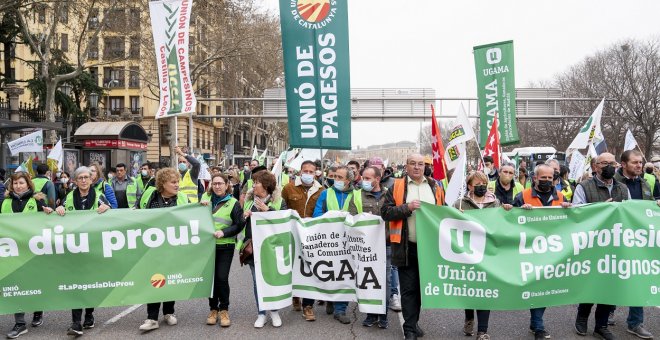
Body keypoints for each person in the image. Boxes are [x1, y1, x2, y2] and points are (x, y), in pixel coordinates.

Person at [381, 153, 445, 340]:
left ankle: (413, 322)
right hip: (406, 247)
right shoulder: (396, 186)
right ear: (406, 167)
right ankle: (409, 329)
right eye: (413, 164)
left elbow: (444, 211)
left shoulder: (435, 186)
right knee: (408, 289)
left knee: (422, 289)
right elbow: (385, 212)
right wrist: (406, 208)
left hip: (430, 249)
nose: (417, 167)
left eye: (420, 164)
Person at [572, 153, 629, 340]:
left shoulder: (622, 188)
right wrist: (600, 210)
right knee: (591, 282)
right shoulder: (583, 187)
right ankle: (582, 317)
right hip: (592, 243)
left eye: (612, 163)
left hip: (615, 244)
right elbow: (576, 213)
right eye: (604, 163)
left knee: (610, 285)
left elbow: (630, 213)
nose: (609, 166)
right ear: (595, 166)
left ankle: (601, 325)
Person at [512, 164, 570, 340]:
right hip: (529, 250)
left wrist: (571, 210)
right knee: (536, 286)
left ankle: (536, 323)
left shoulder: (560, 197)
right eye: (542, 178)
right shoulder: (522, 196)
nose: (546, 181)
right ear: (535, 178)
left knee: (544, 287)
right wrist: (519, 211)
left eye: (550, 178)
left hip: (551, 251)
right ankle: (538, 326)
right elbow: (509, 221)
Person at [55, 166, 111, 336]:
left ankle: (89, 314)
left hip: (93, 248)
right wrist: (59, 210)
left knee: (90, 284)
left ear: (92, 179)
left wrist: (107, 209)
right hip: (74, 249)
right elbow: (59, 215)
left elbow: (114, 218)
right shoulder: (68, 197)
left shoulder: (99, 197)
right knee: (76, 284)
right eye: (80, 178)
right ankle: (76, 322)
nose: (84, 180)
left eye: (87, 177)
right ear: (75, 180)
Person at [612, 150, 658, 339]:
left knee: (638, 275)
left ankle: (635, 323)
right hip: (614, 237)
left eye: (640, 162)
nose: (639, 166)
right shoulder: (613, 183)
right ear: (623, 164)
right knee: (612, 275)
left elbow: (648, 206)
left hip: (637, 238)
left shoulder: (645, 183)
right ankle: (607, 312)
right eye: (635, 163)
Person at [454, 171, 506, 340]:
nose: (481, 186)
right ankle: (469, 317)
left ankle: (482, 331)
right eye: (477, 184)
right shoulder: (460, 203)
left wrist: (506, 210)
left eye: (484, 183)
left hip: (488, 253)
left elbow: (502, 223)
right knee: (470, 290)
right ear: (469, 186)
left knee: (485, 290)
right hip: (467, 253)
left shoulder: (495, 203)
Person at [137, 168, 189, 331]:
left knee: (170, 278)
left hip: (173, 247)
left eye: (178, 181)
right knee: (154, 280)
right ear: (162, 183)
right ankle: (152, 318)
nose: (177, 185)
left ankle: (169, 312)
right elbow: (136, 212)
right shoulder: (149, 196)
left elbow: (191, 217)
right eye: (173, 182)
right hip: (151, 248)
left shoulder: (182, 198)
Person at [3, 172, 53, 339]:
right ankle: (20, 323)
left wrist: (49, 211)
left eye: (21, 183)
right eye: (15, 183)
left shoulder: (37, 201)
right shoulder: (5, 202)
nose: (18, 186)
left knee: (34, 282)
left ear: (28, 184)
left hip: (33, 252)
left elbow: (48, 221)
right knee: (15, 284)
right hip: (13, 252)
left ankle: (38, 311)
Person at [313, 165, 361, 323]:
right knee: (330, 272)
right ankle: (330, 299)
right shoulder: (326, 193)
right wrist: (332, 218)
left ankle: (340, 310)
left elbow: (360, 216)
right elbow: (317, 214)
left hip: (348, 242)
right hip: (329, 242)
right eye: (335, 177)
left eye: (340, 178)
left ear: (348, 180)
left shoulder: (356, 195)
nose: (336, 180)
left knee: (345, 274)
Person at [240, 171, 288, 328]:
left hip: (272, 248)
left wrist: (268, 211)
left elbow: (285, 221)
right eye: (253, 182)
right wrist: (244, 216)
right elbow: (240, 223)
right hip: (253, 248)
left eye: (256, 182)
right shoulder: (249, 202)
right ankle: (261, 313)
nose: (253, 186)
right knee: (256, 281)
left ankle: (274, 311)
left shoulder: (279, 202)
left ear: (266, 185)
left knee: (271, 280)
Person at [200, 173, 245, 328]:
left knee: (221, 278)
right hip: (206, 247)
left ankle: (224, 309)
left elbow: (239, 224)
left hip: (225, 246)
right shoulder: (205, 201)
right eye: (215, 183)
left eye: (220, 183)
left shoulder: (233, 203)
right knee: (211, 279)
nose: (217, 186)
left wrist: (224, 232)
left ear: (227, 185)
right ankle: (213, 309)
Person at [281, 160, 324, 319]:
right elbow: (282, 208)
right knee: (293, 266)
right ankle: (295, 295)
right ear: (300, 172)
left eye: (311, 172)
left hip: (311, 236)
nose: (308, 174)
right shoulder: (288, 188)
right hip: (292, 233)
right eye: (305, 171)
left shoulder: (321, 190)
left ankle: (308, 305)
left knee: (310, 268)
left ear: (316, 173)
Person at [357, 166, 391, 329]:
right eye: (363, 178)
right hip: (366, 247)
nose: (364, 181)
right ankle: (370, 315)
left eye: (368, 178)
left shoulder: (390, 194)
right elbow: (352, 218)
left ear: (377, 179)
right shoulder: (357, 196)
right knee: (368, 281)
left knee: (385, 281)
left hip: (386, 245)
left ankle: (383, 315)